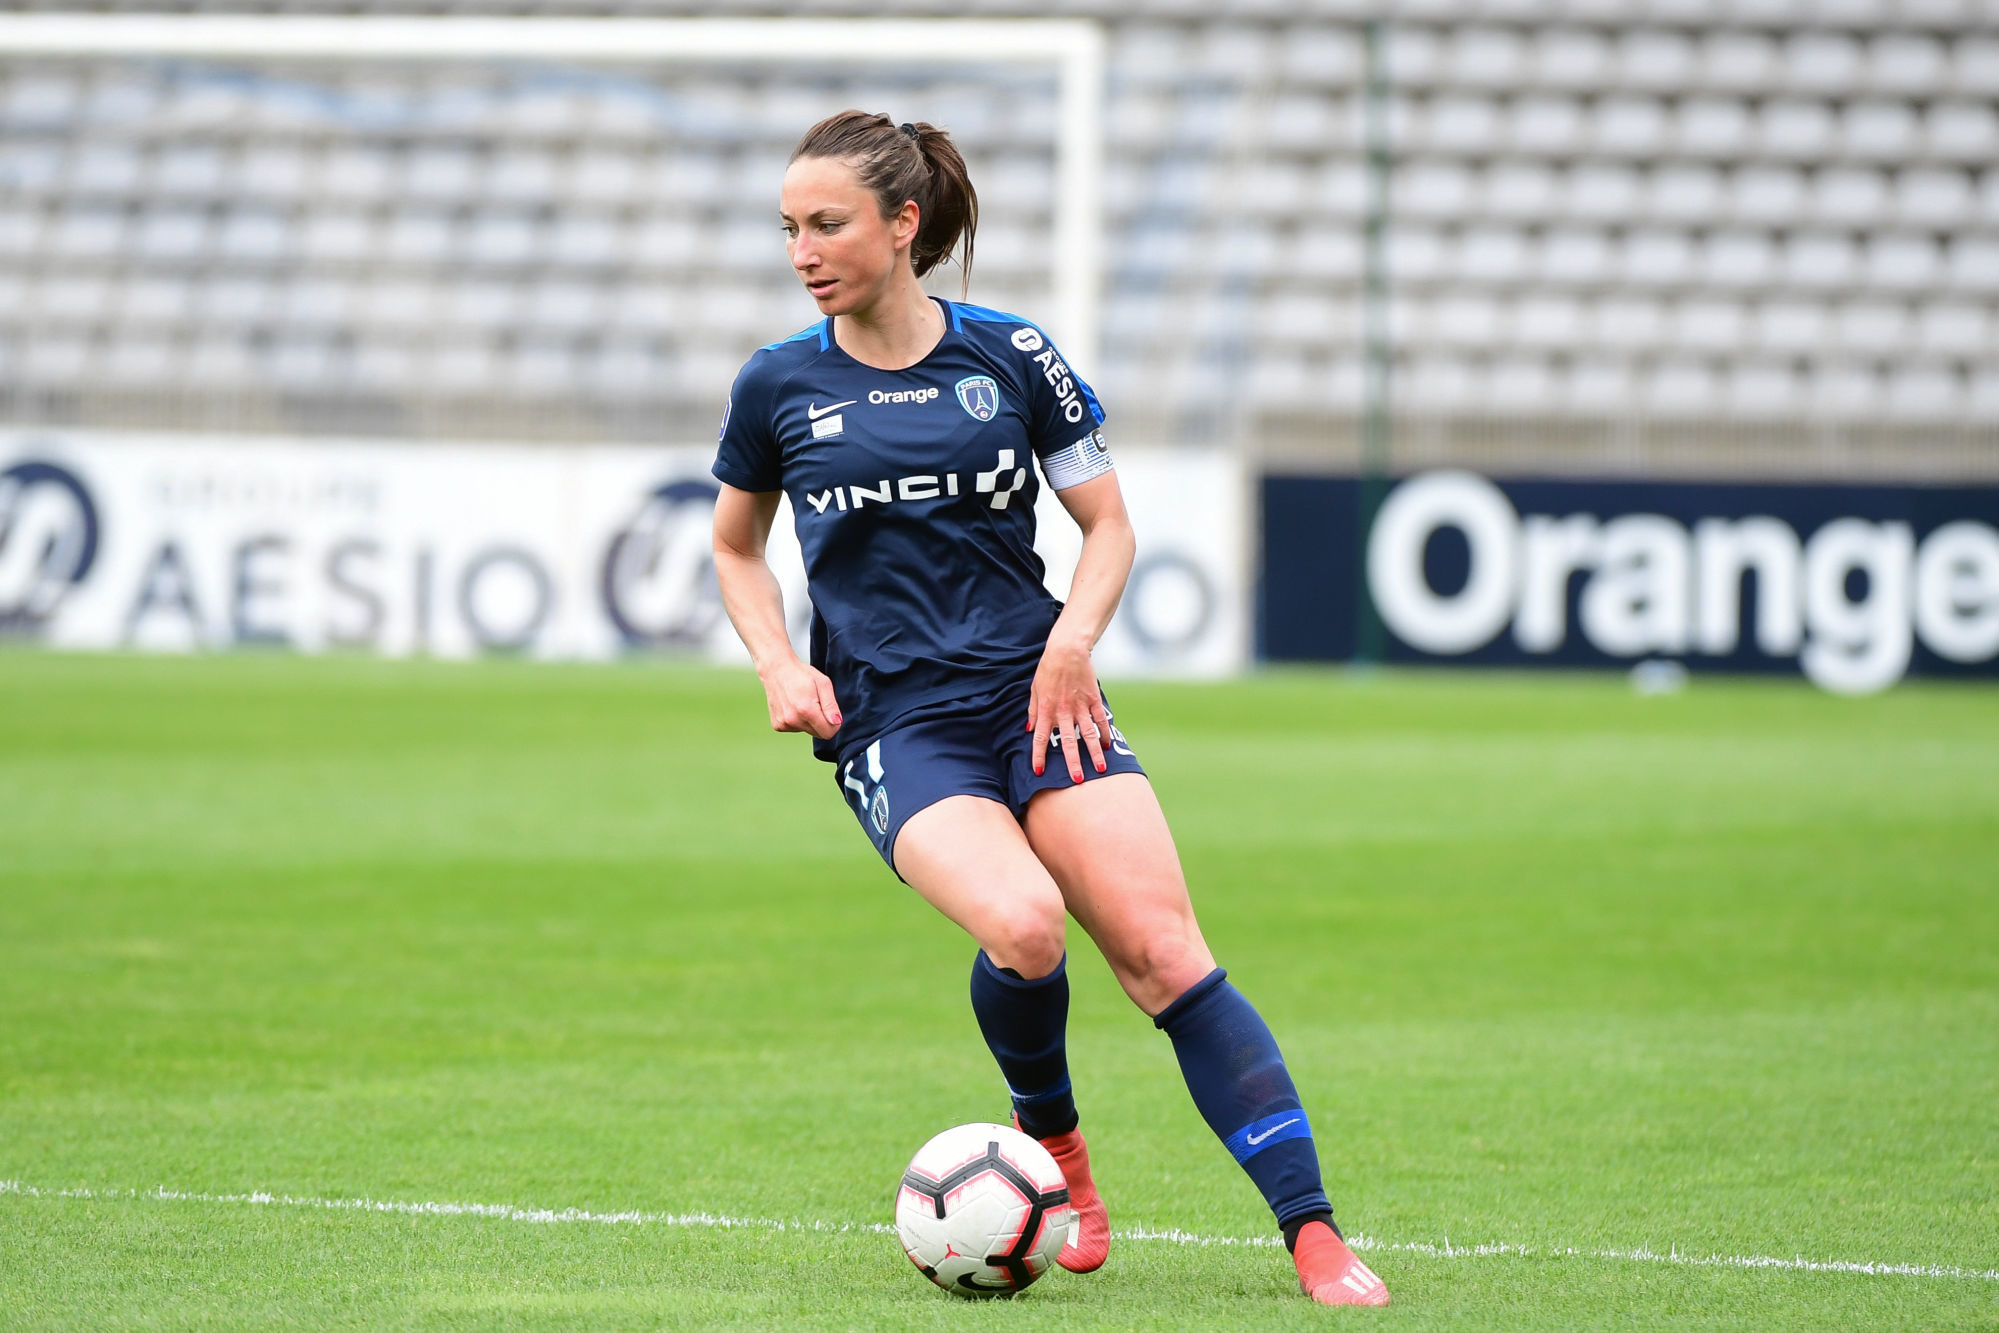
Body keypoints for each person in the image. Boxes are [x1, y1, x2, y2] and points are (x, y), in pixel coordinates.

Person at [708, 110, 1389, 1308]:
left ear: (902, 224)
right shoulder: (777, 383)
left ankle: (1313, 1233)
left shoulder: (1011, 355)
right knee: (1024, 928)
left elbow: (1108, 525)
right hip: (893, 721)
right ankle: (1057, 1158)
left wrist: (1073, 642)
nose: (802, 249)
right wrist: (776, 661)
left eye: (826, 223)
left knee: (1164, 953)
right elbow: (736, 547)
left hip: (1038, 692)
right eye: (788, 228)